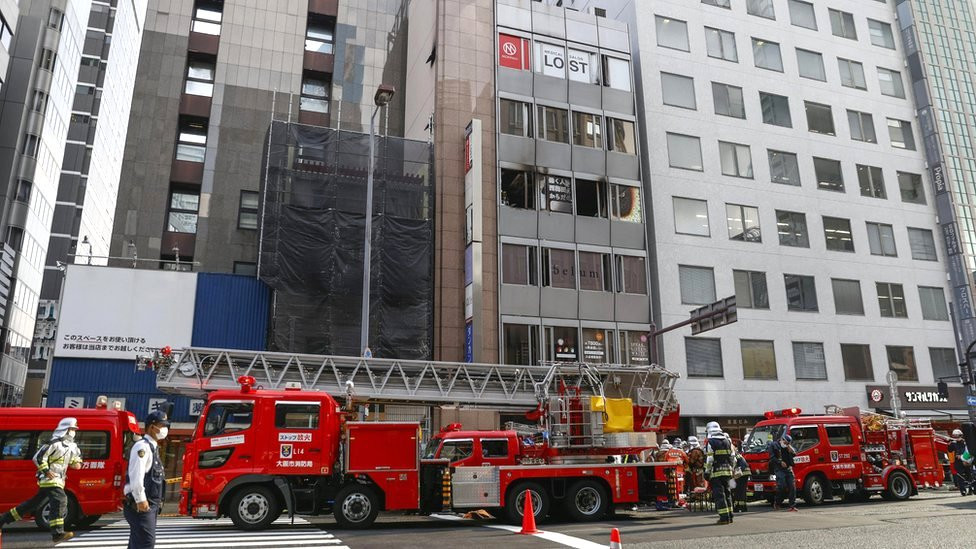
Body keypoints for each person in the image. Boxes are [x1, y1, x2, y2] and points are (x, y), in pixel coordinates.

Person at [0, 417, 82, 543]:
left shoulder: (72, 447)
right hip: (48, 479)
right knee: (61, 499)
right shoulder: (53, 443)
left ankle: (3, 519)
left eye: (74, 429)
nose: (73, 431)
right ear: (65, 429)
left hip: (59, 479)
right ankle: (57, 533)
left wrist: (76, 463)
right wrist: (46, 471)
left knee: (31, 504)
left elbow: (74, 461)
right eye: (71, 429)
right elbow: (38, 458)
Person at [124, 410, 169, 549]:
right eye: (162, 425)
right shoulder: (142, 447)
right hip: (141, 505)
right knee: (145, 543)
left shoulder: (152, 448)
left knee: (138, 543)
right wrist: (141, 500)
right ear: (152, 427)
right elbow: (136, 476)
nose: (165, 429)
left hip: (150, 504)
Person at [704, 421, 735, 525]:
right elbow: (733, 457)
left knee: (719, 495)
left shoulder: (711, 442)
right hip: (728, 472)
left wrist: (707, 472)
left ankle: (724, 518)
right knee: (728, 494)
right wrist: (732, 469)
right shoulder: (728, 441)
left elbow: (710, 459)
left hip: (716, 473)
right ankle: (730, 516)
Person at [772, 433, 797, 511]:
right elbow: (772, 458)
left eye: (788, 443)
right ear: (782, 440)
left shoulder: (788, 447)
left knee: (792, 486)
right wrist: (780, 462)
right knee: (781, 486)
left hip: (788, 469)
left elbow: (794, 453)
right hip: (779, 469)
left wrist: (789, 447)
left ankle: (792, 506)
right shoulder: (774, 445)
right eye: (785, 442)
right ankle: (777, 502)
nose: (785, 444)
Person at [948, 429, 972, 496]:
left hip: (966, 460)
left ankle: (970, 489)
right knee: (960, 476)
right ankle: (963, 490)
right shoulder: (953, 443)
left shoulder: (966, 442)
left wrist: (962, 456)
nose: (956, 438)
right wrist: (949, 443)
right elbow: (950, 450)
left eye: (957, 436)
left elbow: (969, 450)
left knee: (969, 475)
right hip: (958, 461)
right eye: (954, 436)